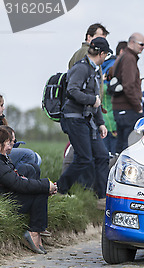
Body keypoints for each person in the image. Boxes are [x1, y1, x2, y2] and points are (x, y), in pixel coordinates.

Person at [57, 37, 111, 210]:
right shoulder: (81, 68)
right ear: (101, 54)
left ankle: (100, 198)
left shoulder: (94, 70)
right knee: (84, 158)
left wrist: (101, 123)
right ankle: (60, 189)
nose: (106, 57)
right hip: (74, 118)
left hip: (88, 120)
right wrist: (91, 100)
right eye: (106, 54)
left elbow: (96, 101)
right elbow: (72, 91)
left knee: (102, 155)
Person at [0, 126, 57, 254]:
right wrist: (45, 186)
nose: (11, 147)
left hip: (8, 194)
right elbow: (17, 184)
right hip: (7, 202)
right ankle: (34, 231)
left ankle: (37, 230)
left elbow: (16, 179)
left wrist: (45, 186)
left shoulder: (4, 158)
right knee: (40, 191)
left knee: (36, 179)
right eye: (8, 144)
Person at [111, 32, 144, 153]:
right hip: (128, 109)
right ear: (131, 43)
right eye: (141, 44)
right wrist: (138, 107)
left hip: (119, 108)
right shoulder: (129, 59)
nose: (143, 47)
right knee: (129, 146)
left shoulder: (122, 56)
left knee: (120, 146)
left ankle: (114, 170)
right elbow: (128, 86)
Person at [0, 94, 41, 178]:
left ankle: (27, 183)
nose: (3, 108)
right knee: (28, 154)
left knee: (37, 159)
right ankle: (15, 179)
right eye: (1, 105)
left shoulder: (2, 120)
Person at [68, 23, 109, 98]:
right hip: (86, 105)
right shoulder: (89, 54)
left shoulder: (77, 53)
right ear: (89, 37)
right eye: (99, 38)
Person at [102, 41, 127, 156]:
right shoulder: (115, 66)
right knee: (114, 158)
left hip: (104, 123)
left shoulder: (103, 68)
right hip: (112, 125)